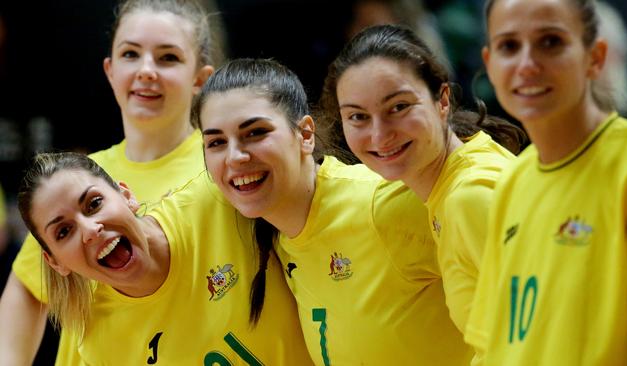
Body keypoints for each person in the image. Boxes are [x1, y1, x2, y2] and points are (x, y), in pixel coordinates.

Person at [193, 57, 473, 365]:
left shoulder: (379, 205)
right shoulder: (279, 239)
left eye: (256, 132)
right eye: (216, 142)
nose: (235, 157)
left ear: (305, 135)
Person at [0, 0, 217, 364]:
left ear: (200, 78)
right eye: (130, 54)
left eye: (168, 58)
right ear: (110, 70)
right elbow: (25, 286)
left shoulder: (224, 164)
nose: (146, 70)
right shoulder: (78, 180)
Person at [464, 0, 627, 364]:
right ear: (489, 63)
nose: (527, 64)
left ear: (594, 57)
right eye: (509, 46)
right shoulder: (514, 179)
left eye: (550, 42)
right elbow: (495, 348)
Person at [318, 24, 525, 335]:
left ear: (442, 100)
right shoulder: (458, 172)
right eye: (358, 116)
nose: (379, 135)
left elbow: (552, 327)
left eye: (398, 107)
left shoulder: (469, 195)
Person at [16, 151, 311, 364]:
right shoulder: (100, 343)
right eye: (64, 231)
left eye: (94, 204)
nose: (91, 230)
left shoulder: (217, 201)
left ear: (125, 195)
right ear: (55, 262)